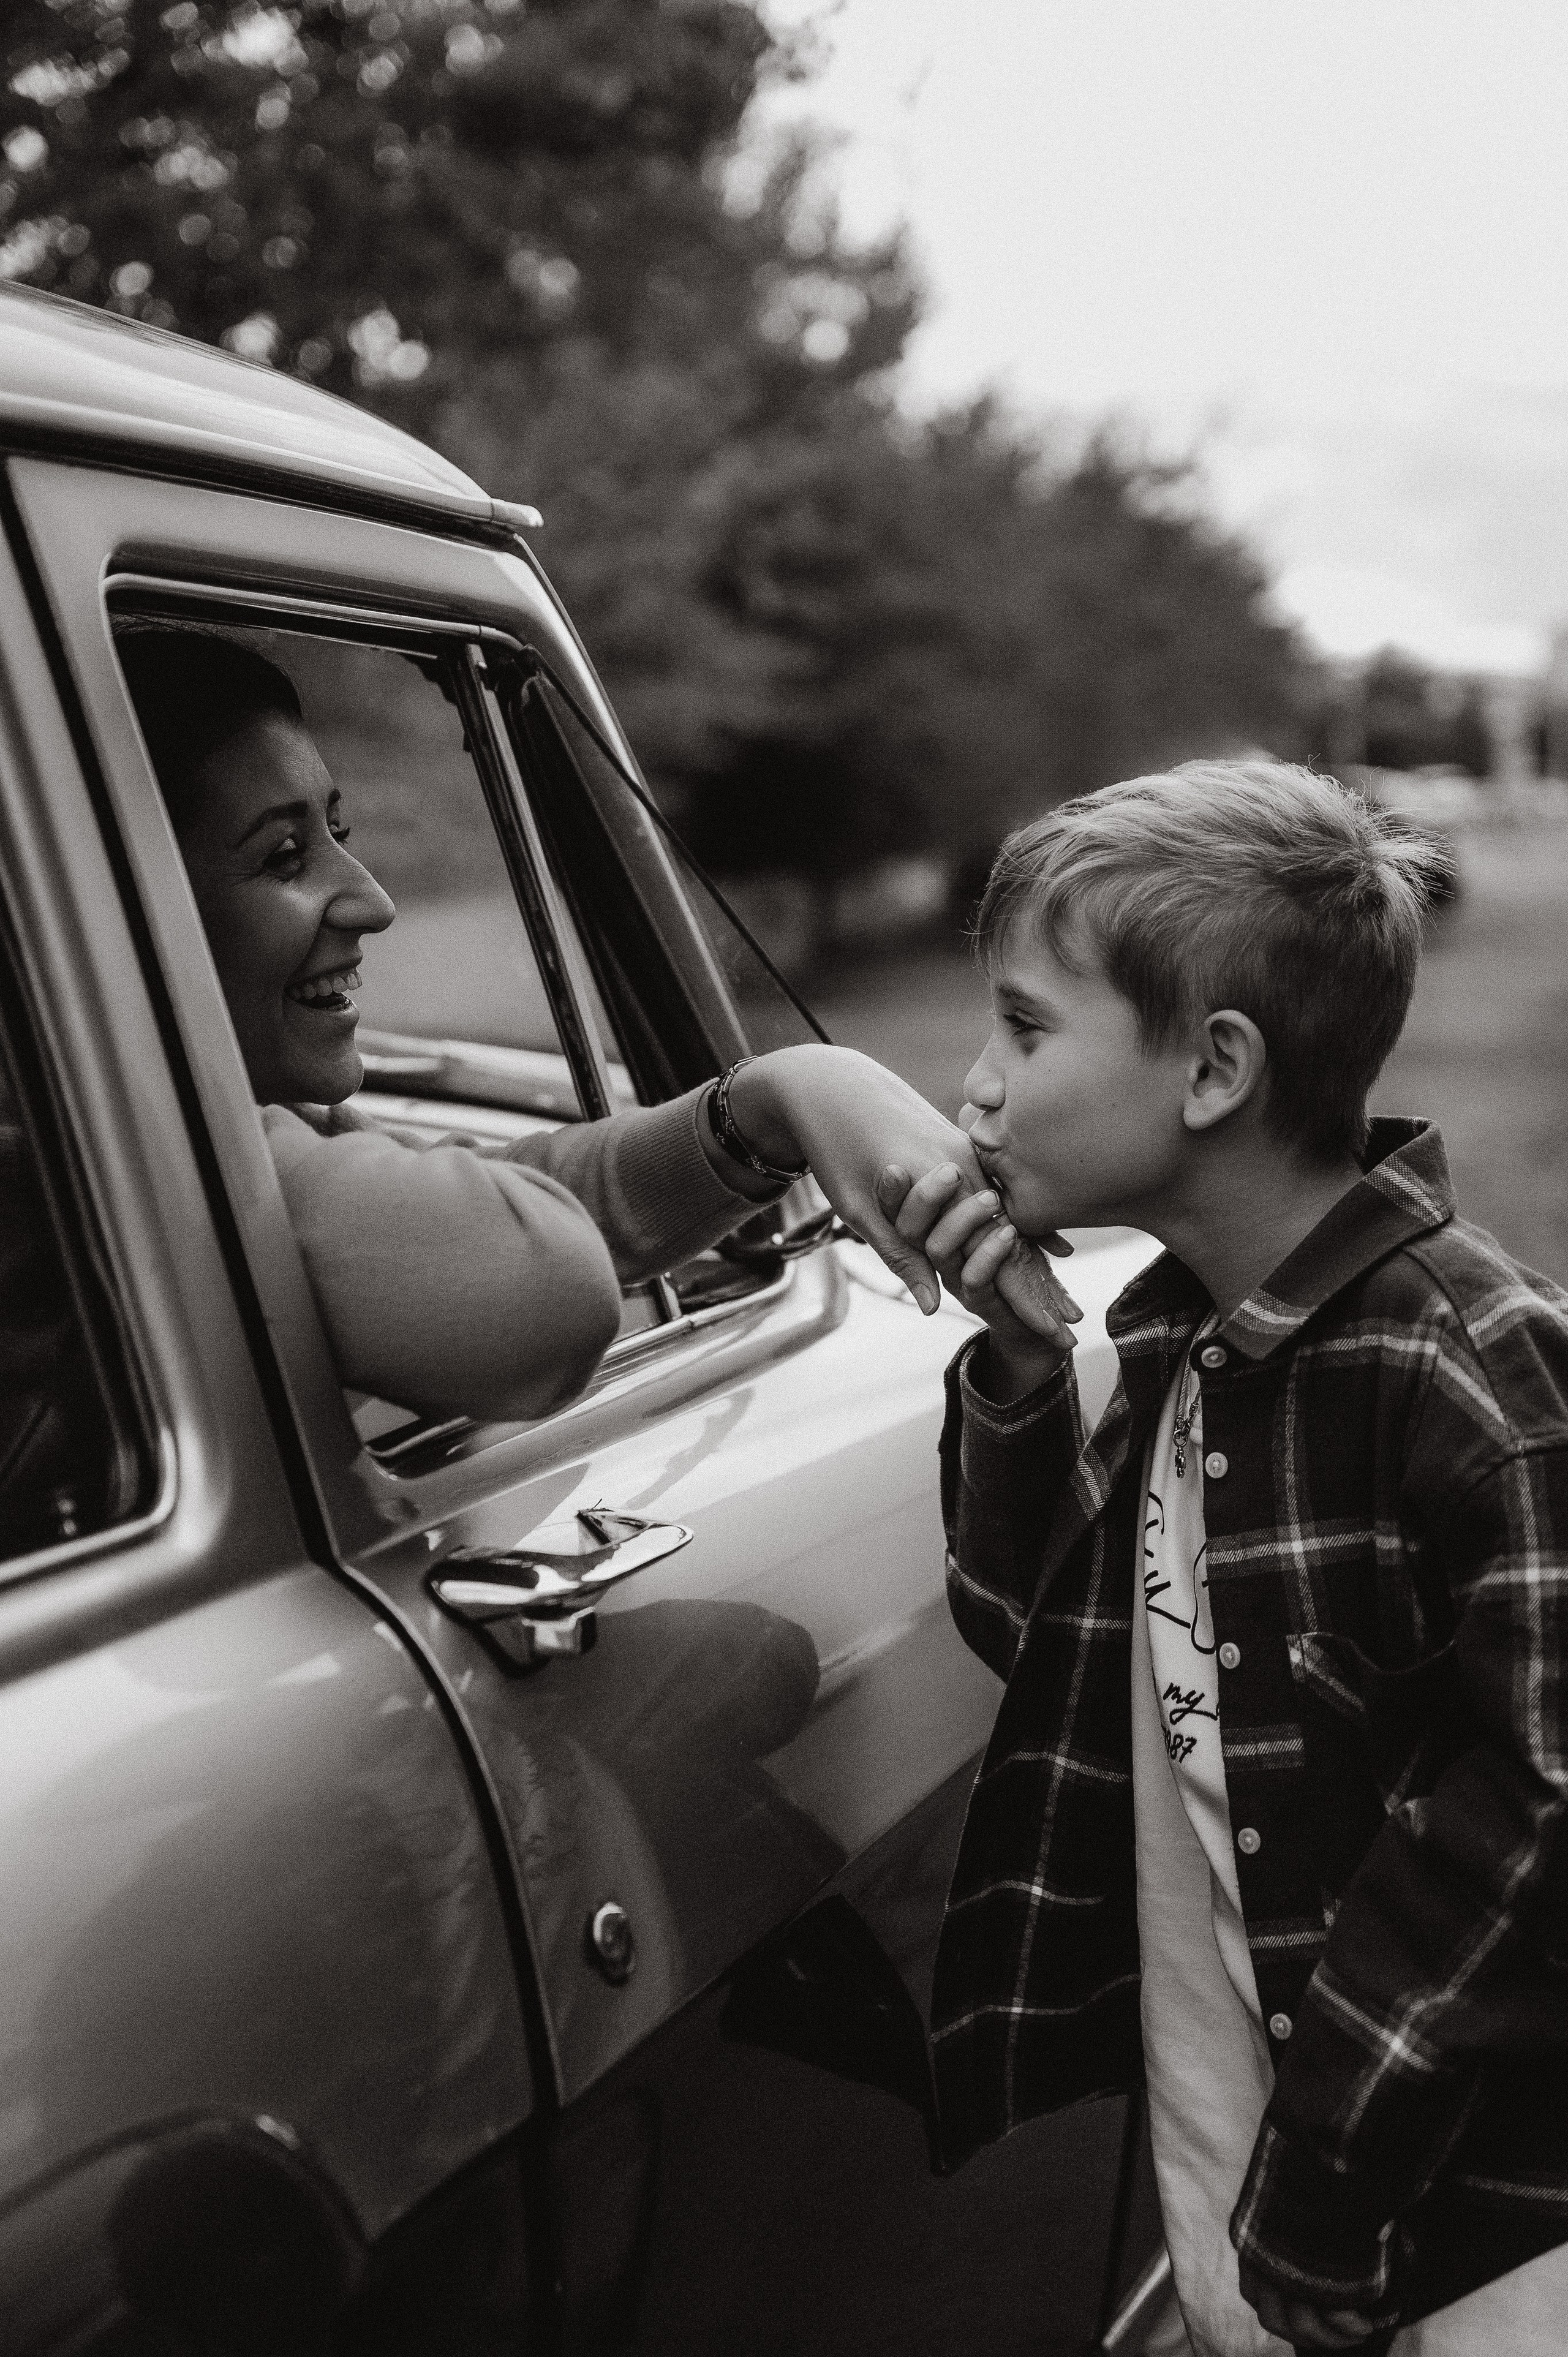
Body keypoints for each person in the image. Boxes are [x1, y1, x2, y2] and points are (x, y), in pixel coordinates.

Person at [882, 761, 1568, 2356]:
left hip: (1465, 2248)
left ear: (1214, 1071)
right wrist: (1011, 1350)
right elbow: (1027, 1636)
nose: (971, 1088)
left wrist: (1326, 2192)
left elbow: (1542, 1822)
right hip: (1235, 2200)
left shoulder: (1474, 1370)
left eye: (1026, 1029)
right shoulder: (1181, 1344)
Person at [115, 628, 994, 1423]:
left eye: (341, 833)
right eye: (284, 857)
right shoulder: (129, 1174)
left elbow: (472, 1198)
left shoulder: (186, 1163)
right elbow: (536, 1276)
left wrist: (777, 1095)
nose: (374, 901)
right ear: (117, 915)